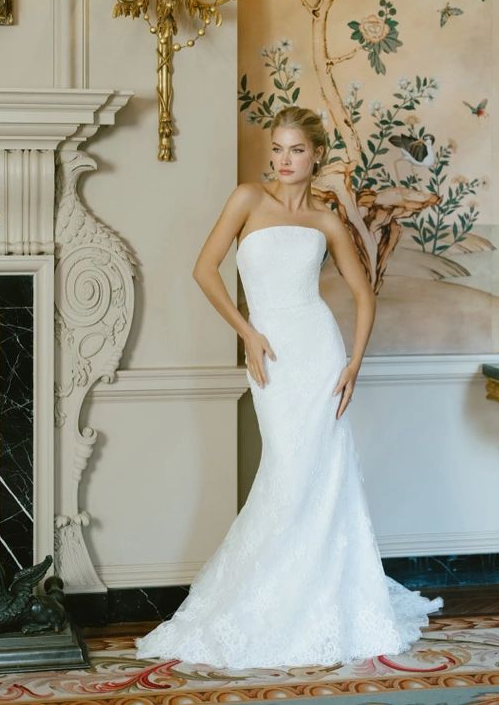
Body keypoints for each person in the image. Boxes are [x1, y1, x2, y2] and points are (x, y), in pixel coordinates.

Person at [135, 105, 442, 669]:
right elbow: (204, 268)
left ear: (316, 155)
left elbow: (364, 293)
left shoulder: (326, 220)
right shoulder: (247, 199)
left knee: (323, 475)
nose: (283, 160)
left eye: (295, 150)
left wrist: (354, 362)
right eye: (276, 149)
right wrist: (247, 332)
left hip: (319, 352)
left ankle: (320, 598)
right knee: (287, 468)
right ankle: (261, 599)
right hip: (272, 353)